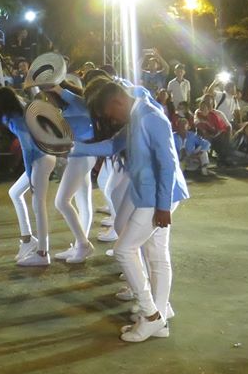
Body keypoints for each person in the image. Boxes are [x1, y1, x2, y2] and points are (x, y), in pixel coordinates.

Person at [72, 80, 189, 342]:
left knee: (124, 250)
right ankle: (160, 317)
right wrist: (72, 148)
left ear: (118, 102)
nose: (110, 120)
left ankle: (151, 316)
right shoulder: (137, 115)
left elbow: (168, 164)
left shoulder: (150, 117)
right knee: (157, 255)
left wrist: (162, 206)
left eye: (109, 114)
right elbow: (112, 146)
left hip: (157, 198)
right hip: (151, 196)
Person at [0, 88, 58, 266]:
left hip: (40, 160)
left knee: (39, 205)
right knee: (15, 193)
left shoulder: (15, 120)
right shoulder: (21, 110)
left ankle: (42, 253)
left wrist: (29, 174)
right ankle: (28, 240)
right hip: (45, 157)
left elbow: (27, 149)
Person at [44, 81, 99, 264]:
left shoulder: (78, 102)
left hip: (82, 156)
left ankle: (83, 244)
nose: (48, 99)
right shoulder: (69, 107)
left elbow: (81, 104)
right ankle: (80, 245)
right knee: (82, 202)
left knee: (61, 201)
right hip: (81, 155)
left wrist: (59, 89)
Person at [194, 100, 234, 164]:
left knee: (222, 138)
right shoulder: (198, 116)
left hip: (215, 133)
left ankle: (224, 158)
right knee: (207, 139)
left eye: (205, 108)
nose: (203, 110)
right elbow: (198, 126)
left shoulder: (213, 116)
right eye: (202, 108)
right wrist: (205, 124)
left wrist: (214, 132)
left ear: (208, 109)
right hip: (205, 135)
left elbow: (218, 128)